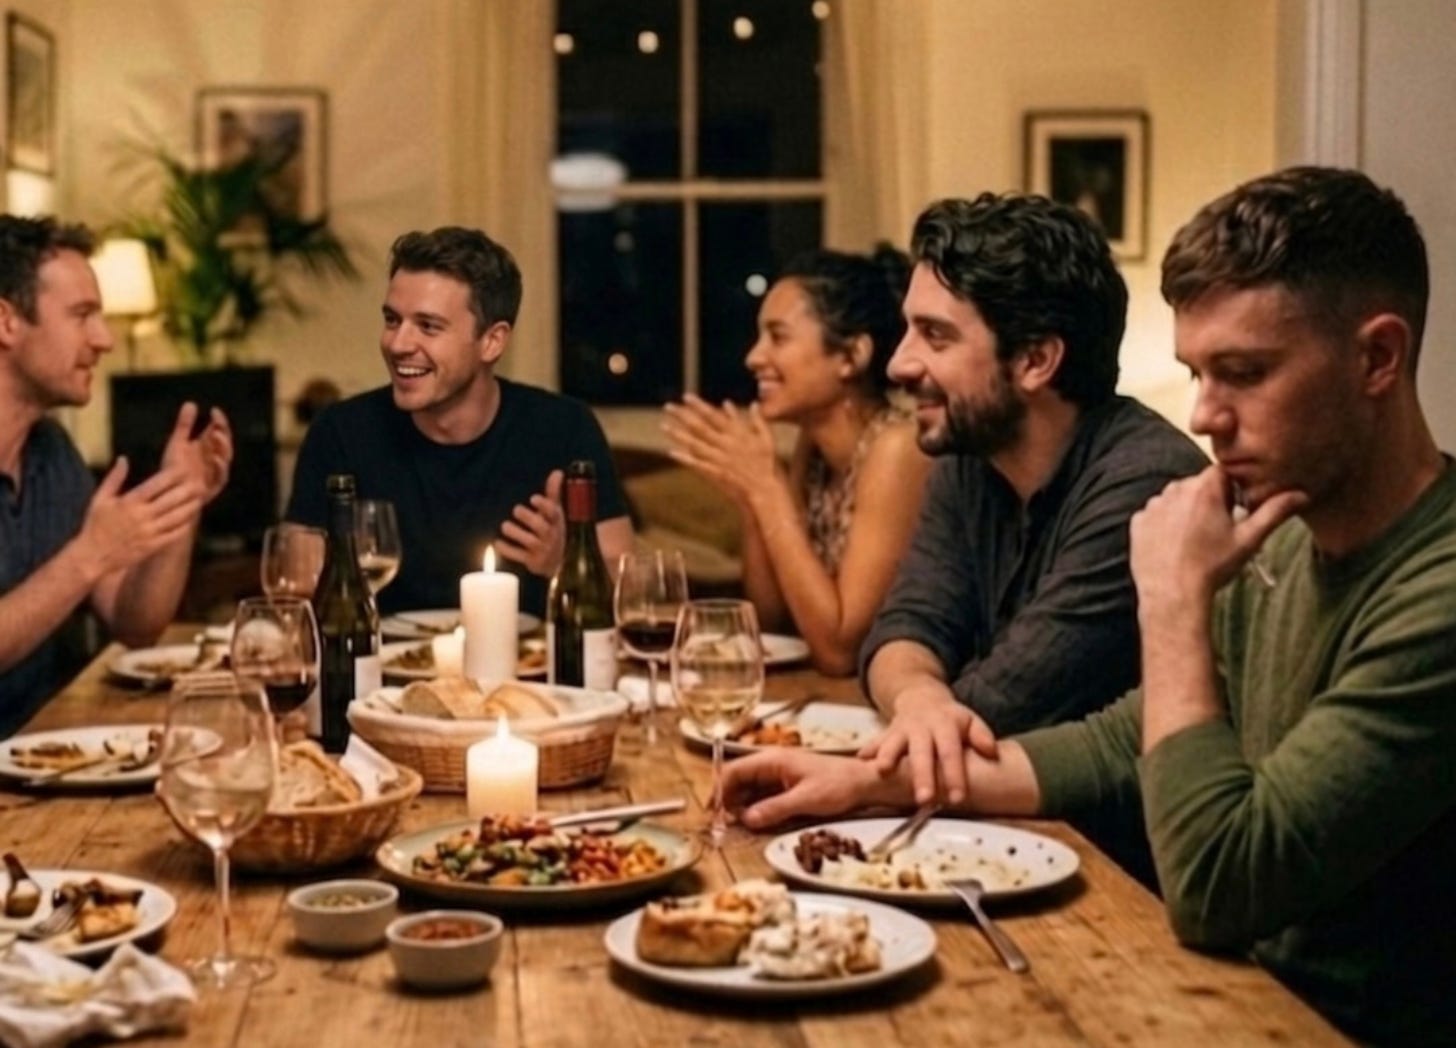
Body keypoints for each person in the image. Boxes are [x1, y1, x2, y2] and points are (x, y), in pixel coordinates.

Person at [722, 167, 1456, 1045]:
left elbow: (1221, 884)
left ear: (1378, 357)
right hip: (1215, 988)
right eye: (1196, 372)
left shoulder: (1432, 589)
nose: (1205, 415)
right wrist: (859, 783)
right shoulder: (1287, 531)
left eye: (1245, 373)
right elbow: (1121, 742)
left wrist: (1178, 600)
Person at [860, 194, 1206, 806]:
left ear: (1035, 360)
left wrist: (927, 709)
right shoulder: (971, 457)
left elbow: (1005, 706)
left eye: (935, 336)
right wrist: (919, 697)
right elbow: (906, 627)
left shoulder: (1147, 482)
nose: (898, 364)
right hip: (996, 823)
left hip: (1118, 867)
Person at [286, 226, 633, 617]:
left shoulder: (565, 428)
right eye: (392, 320)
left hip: (531, 676)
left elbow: (629, 593)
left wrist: (565, 564)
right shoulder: (340, 433)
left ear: (492, 341)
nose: (398, 344)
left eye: (428, 326)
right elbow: (295, 594)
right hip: (380, 674)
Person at [0, 215, 233, 736]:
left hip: (44, 752)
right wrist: (89, 554)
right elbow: (89, 564)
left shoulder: (53, 452)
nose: (103, 339)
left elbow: (135, 625)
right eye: (82, 315)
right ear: (7, 322)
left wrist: (182, 500)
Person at [662, 247, 932, 675]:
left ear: (851, 356)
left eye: (778, 336)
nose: (754, 357)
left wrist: (768, 489)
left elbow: (840, 652)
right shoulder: (814, 446)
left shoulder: (897, 449)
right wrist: (753, 504)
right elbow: (771, 626)